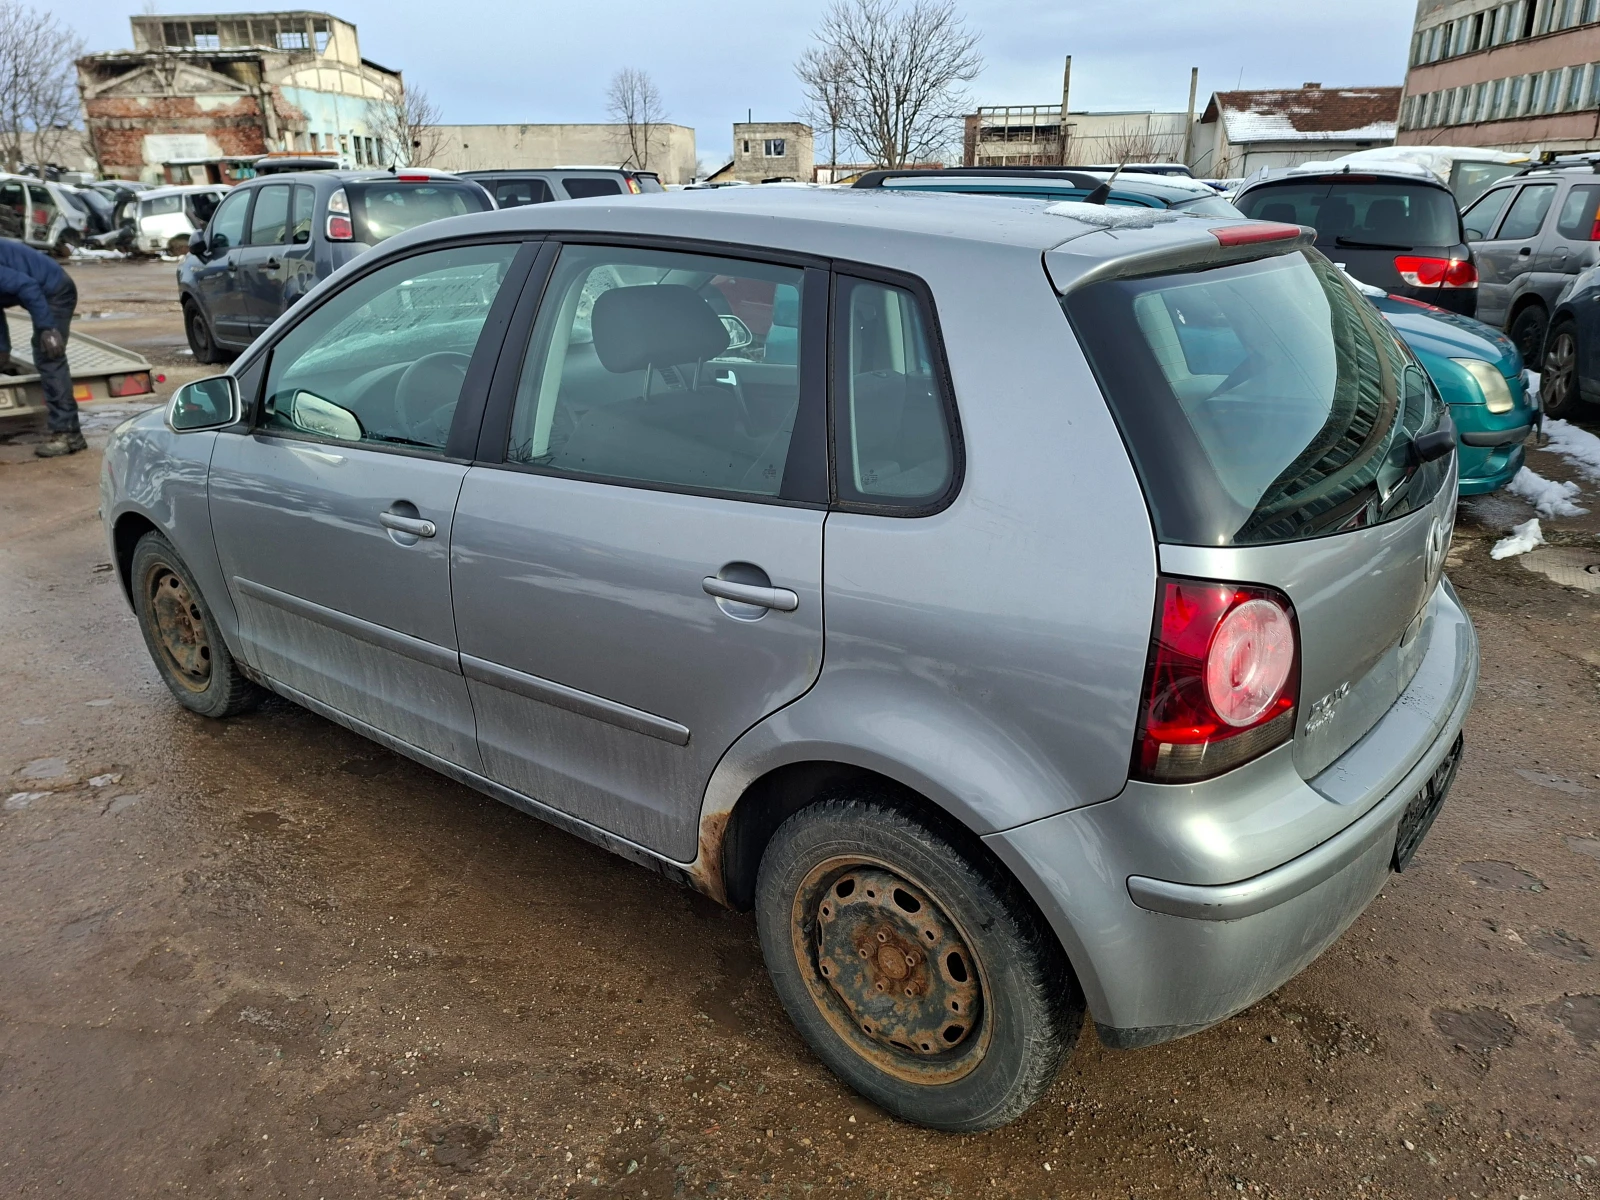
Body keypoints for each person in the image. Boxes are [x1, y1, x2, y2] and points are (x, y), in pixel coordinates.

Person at [0, 239, 82, 457]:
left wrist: (47, 329)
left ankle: (67, 434)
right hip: (40, 288)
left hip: (56, 291)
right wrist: (3, 350)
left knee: (49, 355)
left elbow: (27, 286)